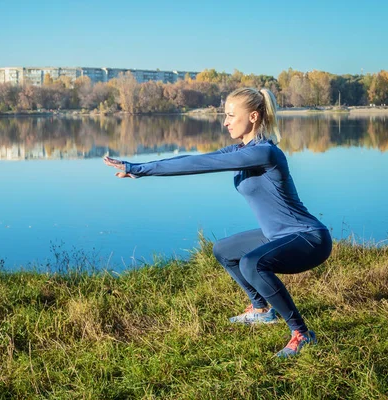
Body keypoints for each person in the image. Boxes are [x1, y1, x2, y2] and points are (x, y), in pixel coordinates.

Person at [103, 87, 332, 358]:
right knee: (224, 249)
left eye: (231, 115)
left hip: (308, 238)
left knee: (252, 262)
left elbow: (203, 164)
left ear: (254, 117)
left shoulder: (265, 153)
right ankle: (260, 310)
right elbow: (195, 160)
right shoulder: (241, 149)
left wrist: (140, 169)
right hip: (277, 235)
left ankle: (302, 333)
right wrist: (140, 168)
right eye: (225, 115)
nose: (225, 122)